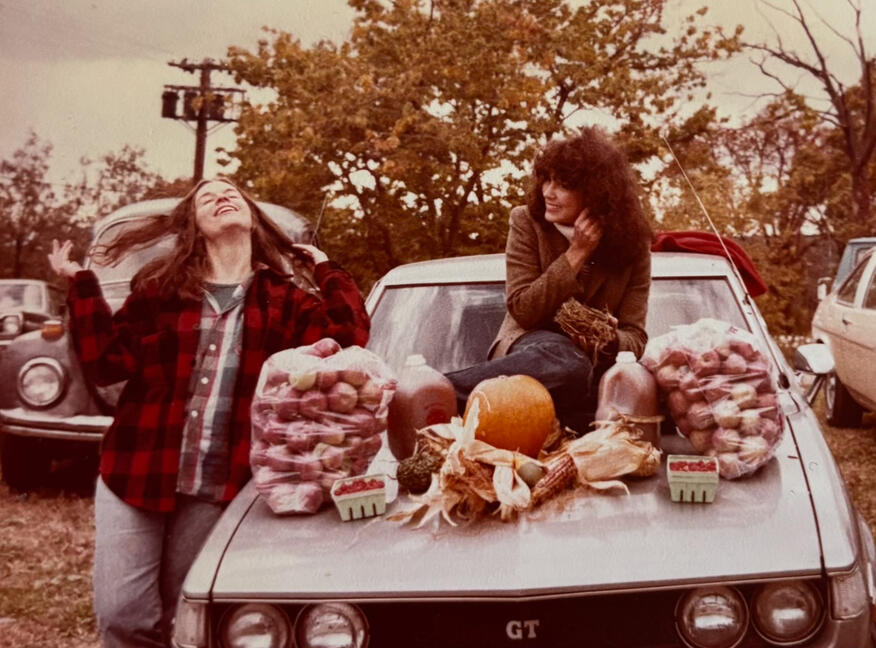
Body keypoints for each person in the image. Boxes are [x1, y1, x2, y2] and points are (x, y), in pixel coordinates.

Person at [48, 177, 370, 648]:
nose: (222, 196)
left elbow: (346, 342)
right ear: (195, 227)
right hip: (136, 471)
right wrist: (81, 283)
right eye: (206, 197)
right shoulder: (160, 290)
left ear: (252, 219)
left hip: (217, 483)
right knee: (123, 616)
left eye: (233, 193)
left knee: (185, 613)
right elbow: (106, 363)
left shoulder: (285, 301)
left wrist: (327, 269)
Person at [446, 127, 653, 432]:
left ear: (597, 192)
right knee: (567, 362)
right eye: (546, 179)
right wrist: (577, 253)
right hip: (536, 349)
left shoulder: (633, 244)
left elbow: (635, 337)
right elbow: (523, 308)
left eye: (563, 185)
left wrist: (609, 341)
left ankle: (560, 425)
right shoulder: (526, 222)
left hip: (592, 378)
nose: (548, 192)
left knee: (645, 392)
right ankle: (441, 390)